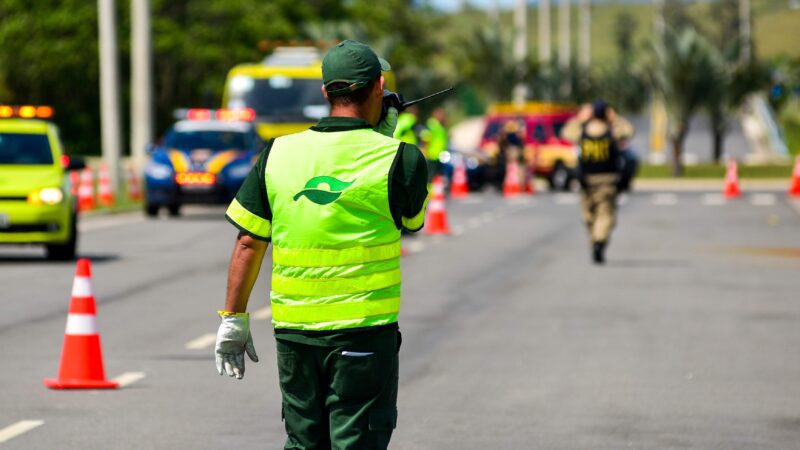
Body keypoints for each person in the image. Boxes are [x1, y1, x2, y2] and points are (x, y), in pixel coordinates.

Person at [214, 40, 429, 449]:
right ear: (380, 87)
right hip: (363, 334)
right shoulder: (401, 158)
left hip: (295, 335)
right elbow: (412, 221)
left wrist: (234, 318)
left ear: (325, 91)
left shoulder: (277, 153)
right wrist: (385, 139)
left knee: (303, 442)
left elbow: (247, 242)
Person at [561, 100, 634, 264]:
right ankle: (599, 241)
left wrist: (580, 118)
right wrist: (615, 118)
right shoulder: (611, 132)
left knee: (589, 215)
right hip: (607, 180)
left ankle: (596, 241)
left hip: (586, 180)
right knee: (605, 214)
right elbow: (629, 131)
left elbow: (566, 132)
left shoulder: (582, 132)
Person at [422, 107, 449, 181]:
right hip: (432, 154)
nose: (442, 116)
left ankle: (436, 191)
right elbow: (425, 138)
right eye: (440, 114)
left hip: (440, 155)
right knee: (431, 175)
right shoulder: (431, 124)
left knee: (438, 175)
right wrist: (425, 150)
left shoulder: (440, 125)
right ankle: (430, 191)